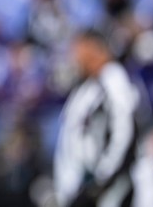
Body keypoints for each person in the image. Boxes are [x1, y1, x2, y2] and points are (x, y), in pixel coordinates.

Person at [54, 29, 140, 207]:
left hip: (103, 193)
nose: (74, 56)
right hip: (78, 189)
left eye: (78, 49)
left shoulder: (114, 81)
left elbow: (123, 134)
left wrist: (100, 183)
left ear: (93, 48)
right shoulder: (87, 87)